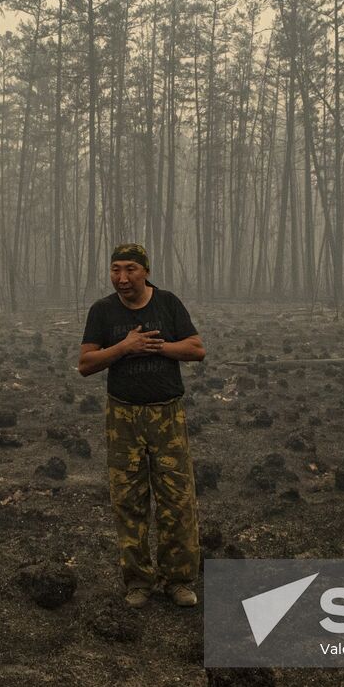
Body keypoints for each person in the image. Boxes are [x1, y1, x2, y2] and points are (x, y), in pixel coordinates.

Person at [78, 243, 206, 608]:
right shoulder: (102, 311)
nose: (122, 277)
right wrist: (125, 346)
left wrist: (157, 347)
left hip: (167, 415)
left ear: (146, 271)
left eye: (130, 269)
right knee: (128, 500)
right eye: (115, 269)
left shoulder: (167, 304)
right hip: (123, 418)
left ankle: (178, 580)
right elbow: (85, 364)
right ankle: (138, 581)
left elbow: (197, 349)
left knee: (176, 499)